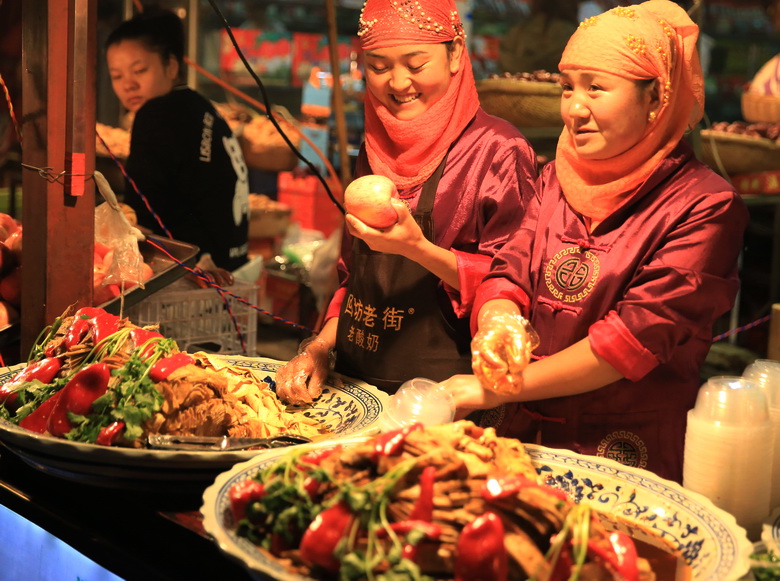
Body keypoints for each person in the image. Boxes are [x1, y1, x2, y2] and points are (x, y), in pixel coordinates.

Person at [442, 0, 749, 483]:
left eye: (596, 89)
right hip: (517, 437)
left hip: (622, 449)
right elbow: (510, 268)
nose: (574, 109)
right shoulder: (555, 175)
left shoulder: (706, 204)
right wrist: (499, 320)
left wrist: (506, 387)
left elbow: (631, 339)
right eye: (567, 88)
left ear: (656, 99)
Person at [274, 0, 538, 402]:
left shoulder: (499, 151)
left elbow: (515, 288)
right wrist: (320, 348)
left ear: (455, 54)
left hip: (445, 400)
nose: (397, 83)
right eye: (378, 67)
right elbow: (354, 277)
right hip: (355, 387)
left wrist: (417, 249)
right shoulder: (373, 149)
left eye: (415, 65)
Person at [105, 9, 250, 273]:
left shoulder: (156, 114)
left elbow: (140, 216)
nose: (128, 85)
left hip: (197, 273)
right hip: (232, 262)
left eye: (139, 70)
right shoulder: (199, 105)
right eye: (117, 76)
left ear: (171, 66)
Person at [498, 0, 579, 74]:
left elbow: (506, 61)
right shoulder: (571, 32)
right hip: (558, 87)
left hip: (516, 85)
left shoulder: (519, 31)